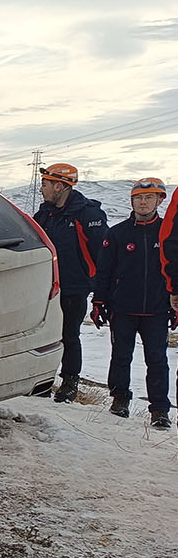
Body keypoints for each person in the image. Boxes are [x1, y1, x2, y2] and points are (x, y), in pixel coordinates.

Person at [91, 178, 172, 428]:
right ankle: (119, 400)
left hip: (157, 310)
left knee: (157, 360)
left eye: (149, 198)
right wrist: (98, 301)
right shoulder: (117, 233)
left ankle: (159, 410)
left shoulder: (169, 234)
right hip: (122, 308)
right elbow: (104, 271)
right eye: (138, 198)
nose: (143, 202)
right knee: (120, 356)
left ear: (159, 201)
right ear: (132, 201)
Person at [33, 163, 107, 403]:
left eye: (45, 184)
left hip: (75, 287)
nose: (42, 189)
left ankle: (69, 383)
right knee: (43, 336)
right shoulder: (44, 215)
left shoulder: (88, 215)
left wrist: (100, 289)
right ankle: (42, 382)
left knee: (69, 335)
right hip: (45, 287)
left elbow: (102, 255)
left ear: (59, 186)